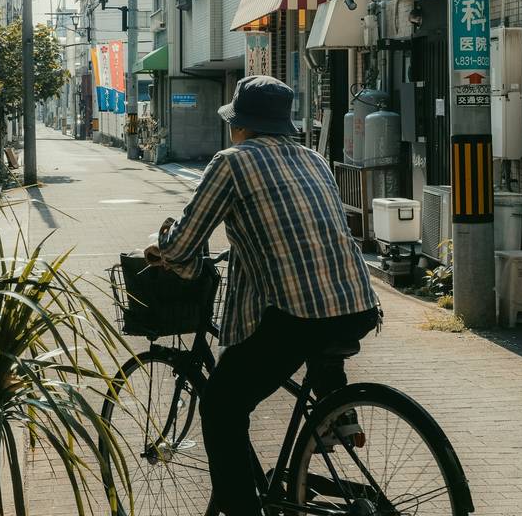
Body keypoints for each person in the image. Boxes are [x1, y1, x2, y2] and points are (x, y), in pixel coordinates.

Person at [145, 75, 380, 516]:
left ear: (241, 125)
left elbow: (182, 245)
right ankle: (335, 419)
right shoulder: (313, 158)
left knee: (220, 409)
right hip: (357, 305)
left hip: (299, 315)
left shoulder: (231, 162)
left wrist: (162, 249)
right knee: (308, 341)